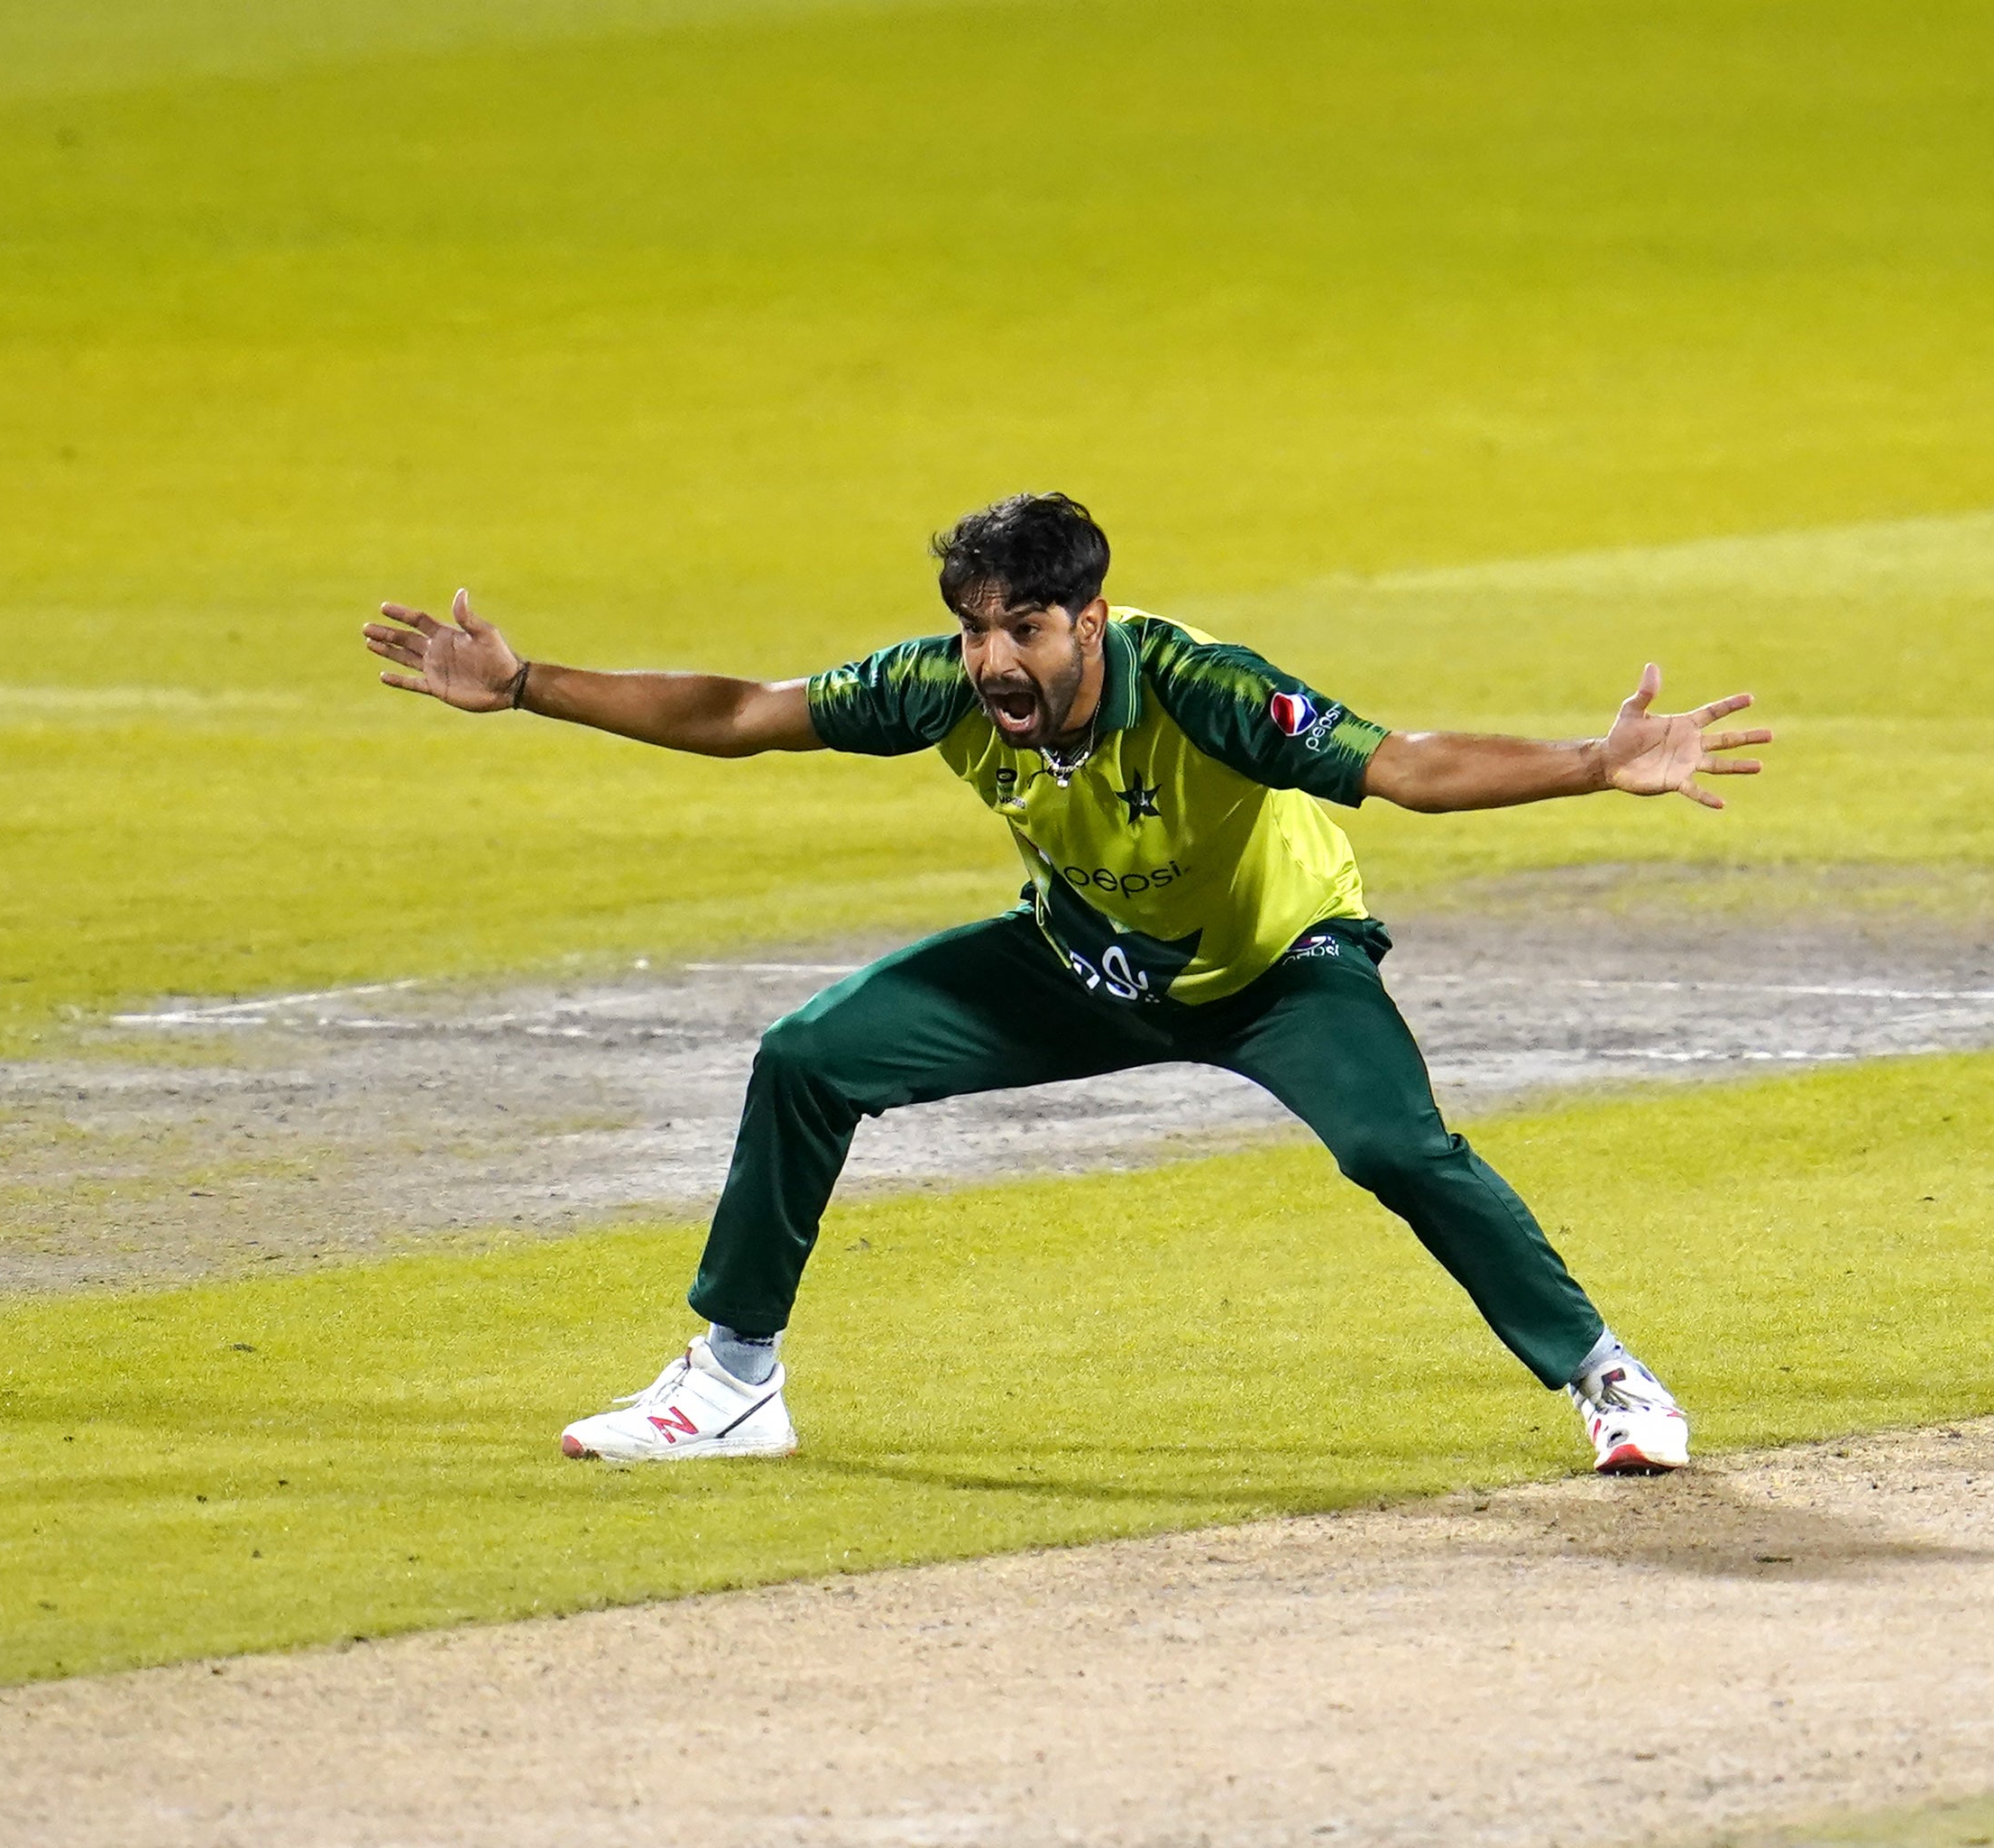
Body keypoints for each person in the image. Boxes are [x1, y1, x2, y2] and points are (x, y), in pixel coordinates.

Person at [363, 493, 1769, 1473]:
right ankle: (733, 1381)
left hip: (1277, 968)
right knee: (807, 1057)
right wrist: (528, 680)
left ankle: (1605, 1378)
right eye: (975, 628)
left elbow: (1402, 766)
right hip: (1078, 961)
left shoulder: (1202, 686)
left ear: (1089, 619)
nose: (992, 661)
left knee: (1395, 1145)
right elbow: (741, 712)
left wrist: (1591, 765)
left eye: (1023, 627)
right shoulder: (938, 683)